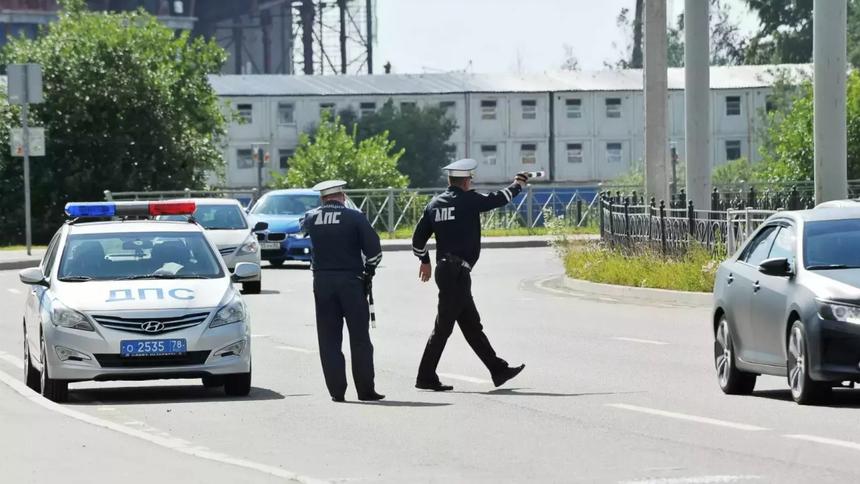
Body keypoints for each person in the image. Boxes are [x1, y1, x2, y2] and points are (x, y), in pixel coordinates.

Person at [411, 159, 530, 391]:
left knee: (472, 326)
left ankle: (498, 369)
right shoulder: (468, 200)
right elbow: (499, 198)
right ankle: (424, 377)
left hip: (447, 271)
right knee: (443, 327)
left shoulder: (434, 204)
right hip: (456, 273)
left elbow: (417, 241)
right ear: (466, 181)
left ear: (450, 180)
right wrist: (518, 183)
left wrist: (424, 261)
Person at [302, 180, 384, 402]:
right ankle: (365, 390)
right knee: (360, 338)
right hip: (351, 281)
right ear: (342, 196)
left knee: (328, 338)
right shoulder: (355, 217)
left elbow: (303, 229)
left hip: (322, 282)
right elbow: (375, 251)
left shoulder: (311, 217)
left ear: (322, 199)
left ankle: (337, 391)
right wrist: (369, 272)